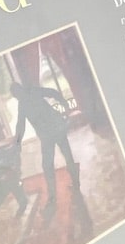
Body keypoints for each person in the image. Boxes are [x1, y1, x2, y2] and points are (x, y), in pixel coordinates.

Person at [11, 80, 80, 217]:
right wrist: (65, 105)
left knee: (50, 164)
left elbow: (21, 126)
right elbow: (21, 126)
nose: (17, 97)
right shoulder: (28, 98)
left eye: (16, 94)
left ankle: (57, 195)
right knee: (61, 158)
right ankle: (69, 188)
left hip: (53, 131)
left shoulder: (26, 100)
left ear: (18, 92)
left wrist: (65, 105)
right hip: (52, 131)